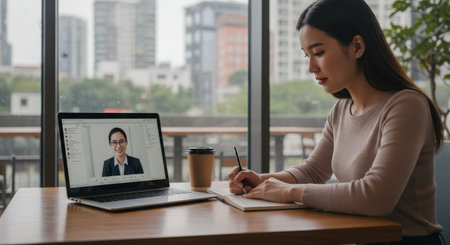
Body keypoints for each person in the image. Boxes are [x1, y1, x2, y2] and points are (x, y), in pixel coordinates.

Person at [228, 0, 444, 244]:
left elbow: (376, 198)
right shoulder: (341, 110)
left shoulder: (406, 105)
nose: (311, 67)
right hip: (358, 238)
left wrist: (287, 191)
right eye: (307, 55)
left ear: (357, 46)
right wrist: (262, 181)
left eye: (318, 53)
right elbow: (313, 171)